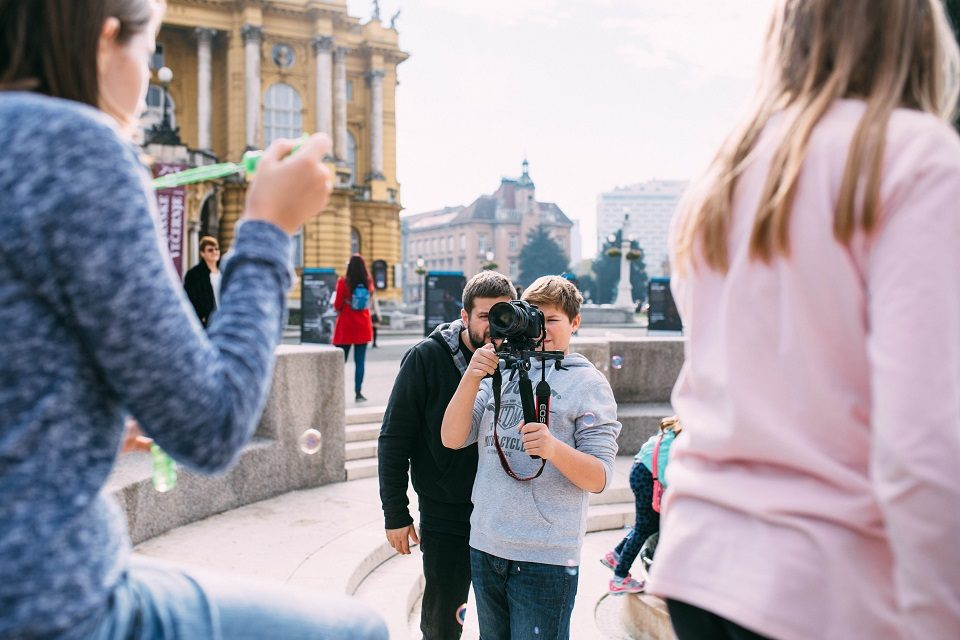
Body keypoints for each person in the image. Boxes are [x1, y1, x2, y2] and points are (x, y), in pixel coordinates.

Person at [0, 1, 387, 639]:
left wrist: (80, 420)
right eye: (148, 52)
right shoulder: (72, 148)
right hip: (45, 600)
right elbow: (210, 427)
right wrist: (267, 229)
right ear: (104, 43)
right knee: (358, 630)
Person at [650, 1, 960, 639]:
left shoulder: (722, 177)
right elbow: (925, 439)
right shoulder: (917, 158)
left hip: (702, 562)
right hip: (831, 583)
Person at [441, 275, 621, 640]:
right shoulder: (501, 373)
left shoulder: (588, 385)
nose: (541, 329)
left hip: (545, 557)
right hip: (487, 545)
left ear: (575, 323)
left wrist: (554, 448)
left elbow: (600, 477)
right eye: (533, 317)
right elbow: (452, 438)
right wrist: (471, 378)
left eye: (551, 319)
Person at [378, 270, 515, 640]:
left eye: (502, 314)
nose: (493, 325)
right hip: (446, 512)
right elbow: (394, 438)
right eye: (484, 315)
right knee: (442, 621)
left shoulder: (519, 360)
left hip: (504, 509)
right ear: (464, 315)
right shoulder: (426, 358)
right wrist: (395, 513)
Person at [601, 415, 681, 595]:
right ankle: (619, 579)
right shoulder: (684, 436)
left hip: (640, 469)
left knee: (646, 524)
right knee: (644, 528)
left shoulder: (673, 428)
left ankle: (615, 555)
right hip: (648, 477)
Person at [333, 254, 374, 401]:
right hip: (362, 325)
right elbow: (370, 301)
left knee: (338, 361)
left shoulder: (343, 282)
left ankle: (335, 393)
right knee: (360, 362)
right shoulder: (368, 282)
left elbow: (337, 305)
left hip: (346, 326)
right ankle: (358, 392)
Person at [183, 235, 220, 327]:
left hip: (224, 320)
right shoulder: (194, 274)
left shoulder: (224, 271)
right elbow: (189, 299)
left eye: (216, 249)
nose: (215, 252)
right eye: (210, 250)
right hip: (206, 323)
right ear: (202, 253)